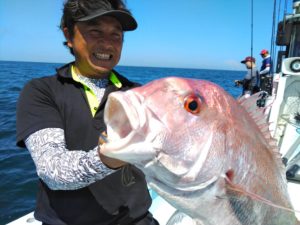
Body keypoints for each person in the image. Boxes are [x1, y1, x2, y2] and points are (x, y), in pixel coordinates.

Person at [16, 0, 159, 225]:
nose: (107, 44)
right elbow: (52, 169)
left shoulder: (140, 95)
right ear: (69, 35)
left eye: (116, 35)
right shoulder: (41, 91)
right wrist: (107, 158)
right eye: (95, 31)